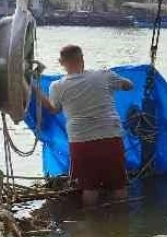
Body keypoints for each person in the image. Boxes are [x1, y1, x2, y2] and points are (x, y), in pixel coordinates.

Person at [36, 45, 133, 205]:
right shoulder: (104, 76)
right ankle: (122, 220)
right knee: (119, 185)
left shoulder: (57, 86)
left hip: (81, 142)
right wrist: (119, 79)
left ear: (61, 62)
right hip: (111, 138)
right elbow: (129, 86)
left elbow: (54, 109)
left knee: (89, 188)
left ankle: (90, 223)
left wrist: (37, 92)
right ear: (82, 58)